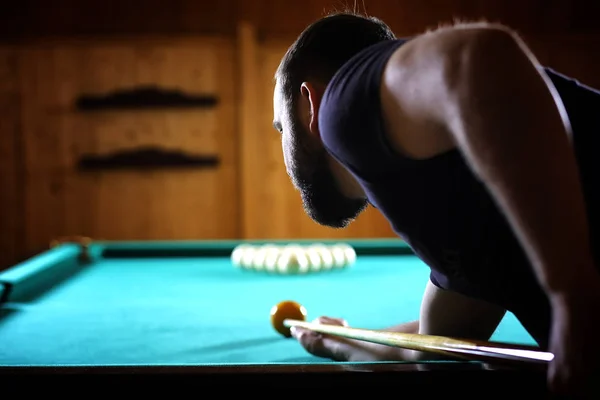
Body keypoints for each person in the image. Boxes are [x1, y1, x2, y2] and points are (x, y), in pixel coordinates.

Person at [272, 11, 600, 397]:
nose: (283, 151)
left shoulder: (340, 108)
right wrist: (340, 341)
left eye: (280, 127)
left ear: (309, 105)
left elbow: (481, 55)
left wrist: (572, 297)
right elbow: (439, 340)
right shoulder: (452, 203)